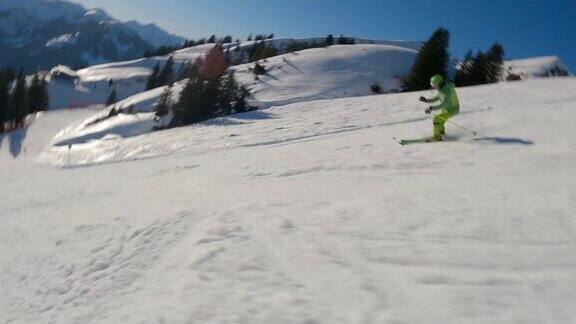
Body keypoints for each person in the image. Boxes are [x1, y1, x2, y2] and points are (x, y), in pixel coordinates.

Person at [419, 75, 460, 142]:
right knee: (439, 121)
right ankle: (441, 134)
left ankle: (437, 137)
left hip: (452, 109)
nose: (434, 88)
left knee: (436, 119)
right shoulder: (443, 88)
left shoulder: (447, 90)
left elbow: (444, 104)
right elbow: (437, 98)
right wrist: (426, 100)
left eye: (435, 86)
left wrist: (432, 108)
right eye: (433, 86)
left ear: (439, 84)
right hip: (447, 109)